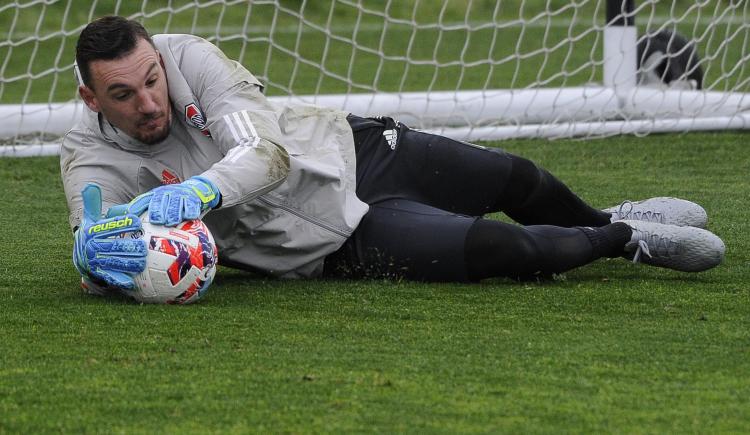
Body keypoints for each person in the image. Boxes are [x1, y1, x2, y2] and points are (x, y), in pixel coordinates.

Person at [62, 16, 725, 297]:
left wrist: (198, 195)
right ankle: (626, 238)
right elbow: (95, 243)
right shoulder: (89, 158)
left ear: (159, 57)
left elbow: (265, 154)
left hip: (357, 151)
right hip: (327, 244)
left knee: (515, 177)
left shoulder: (190, 60)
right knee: (511, 254)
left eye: (151, 79)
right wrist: (94, 258)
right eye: (124, 93)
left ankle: (605, 211)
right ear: (93, 98)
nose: (150, 101)